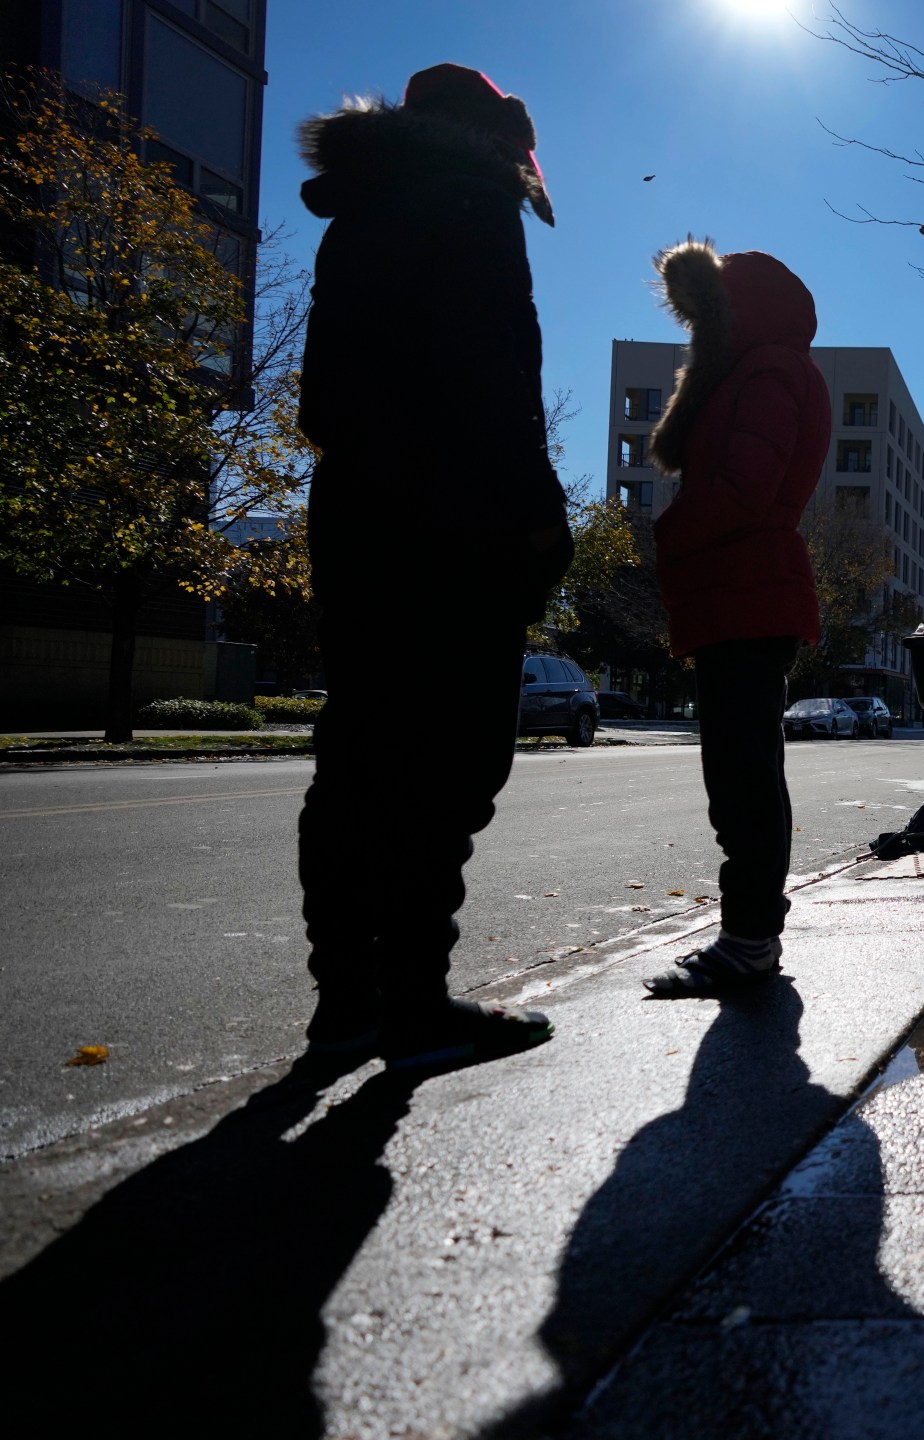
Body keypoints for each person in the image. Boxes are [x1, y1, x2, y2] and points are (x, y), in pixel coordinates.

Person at [293, 65, 566, 1067]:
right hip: (458, 527)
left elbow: (322, 398)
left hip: (359, 515)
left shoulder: (356, 216)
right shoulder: (472, 205)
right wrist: (535, 520)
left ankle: (348, 1001)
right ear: (493, 136)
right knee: (452, 762)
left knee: (359, 757)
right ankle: (412, 999)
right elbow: (496, 380)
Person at [638, 240, 828, 996]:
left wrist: (672, 536)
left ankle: (749, 940)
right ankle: (748, 936)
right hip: (740, 593)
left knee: (744, 778)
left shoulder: (769, 370)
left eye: (707, 315)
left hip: (748, 591)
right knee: (742, 774)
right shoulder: (761, 370)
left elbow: (747, 486)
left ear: (732, 311)